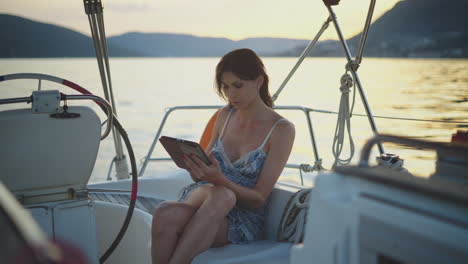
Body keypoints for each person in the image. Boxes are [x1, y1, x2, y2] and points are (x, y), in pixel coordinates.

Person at [151, 48, 295, 264]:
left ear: (258, 82)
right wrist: (196, 169)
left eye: (238, 85)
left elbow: (259, 199)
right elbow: (201, 177)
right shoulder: (224, 115)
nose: (231, 94)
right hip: (204, 198)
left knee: (216, 198)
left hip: (243, 218)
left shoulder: (281, 129)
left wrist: (221, 180)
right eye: (225, 87)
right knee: (164, 211)